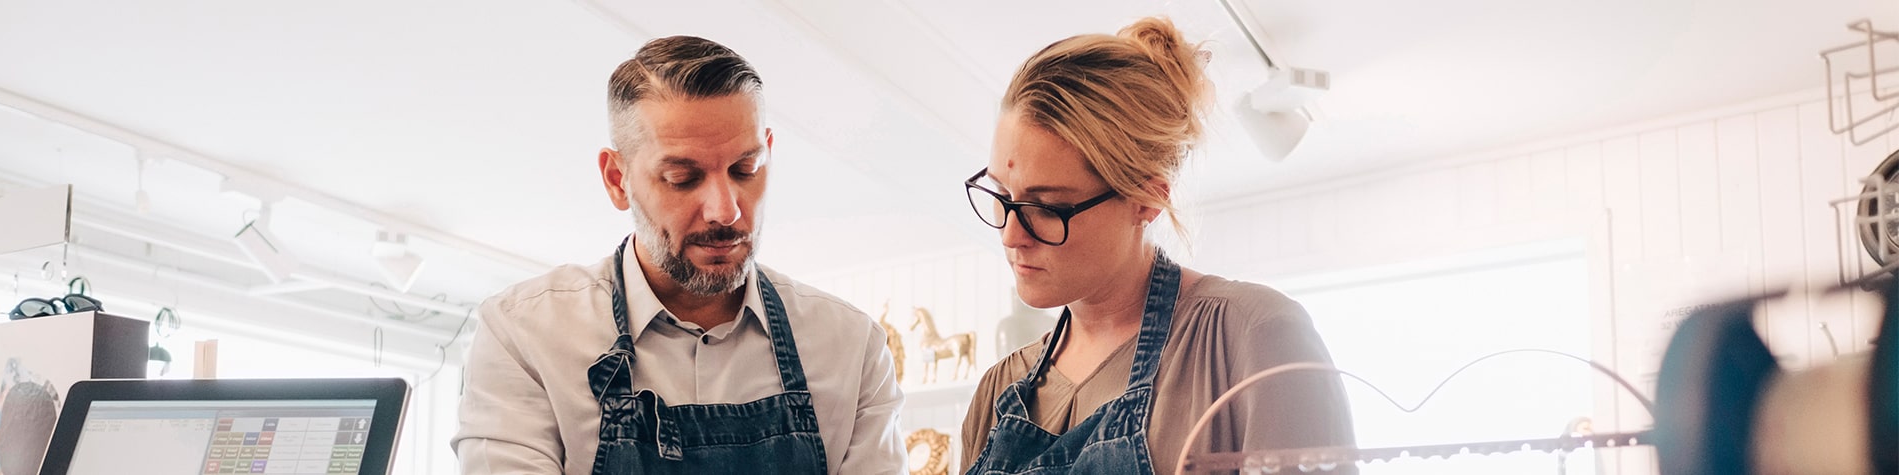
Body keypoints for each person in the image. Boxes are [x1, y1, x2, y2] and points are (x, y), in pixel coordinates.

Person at [453, 35, 905, 474]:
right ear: (617, 179)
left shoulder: (852, 348)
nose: (726, 210)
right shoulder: (524, 333)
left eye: (745, 170)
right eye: (683, 178)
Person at [958, 17, 1356, 475]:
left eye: (1048, 207)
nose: (1010, 234)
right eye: (1001, 196)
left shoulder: (1250, 339)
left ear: (1147, 200)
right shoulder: (997, 392)